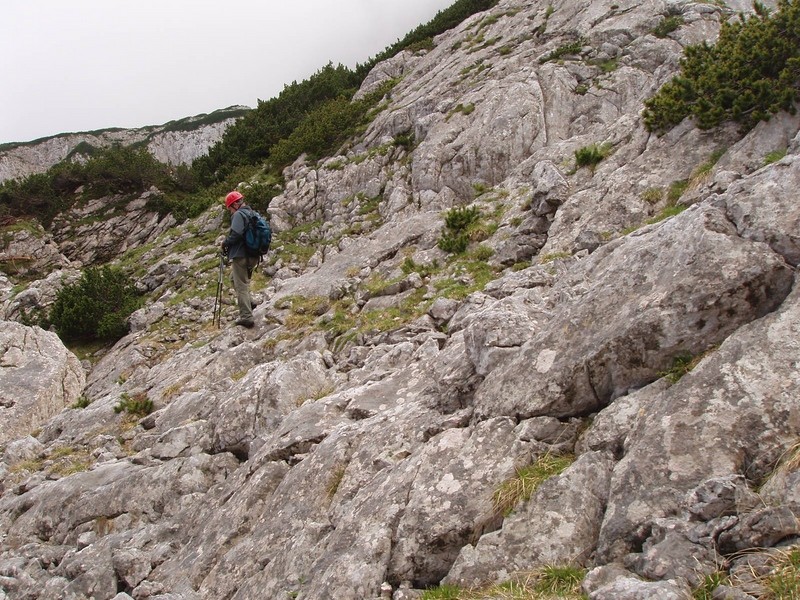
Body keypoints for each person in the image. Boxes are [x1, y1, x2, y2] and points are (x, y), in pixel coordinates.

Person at [221, 190, 260, 328]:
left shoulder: (238, 214)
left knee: (241, 285)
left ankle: (246, 316)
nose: (230, 211)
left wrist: (226, 243)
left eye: (230, 208)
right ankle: (250, 303)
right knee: (234, 278)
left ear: (234, 205)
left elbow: (236, 233)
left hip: (241, 255)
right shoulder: (252, 213)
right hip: (254, 255)